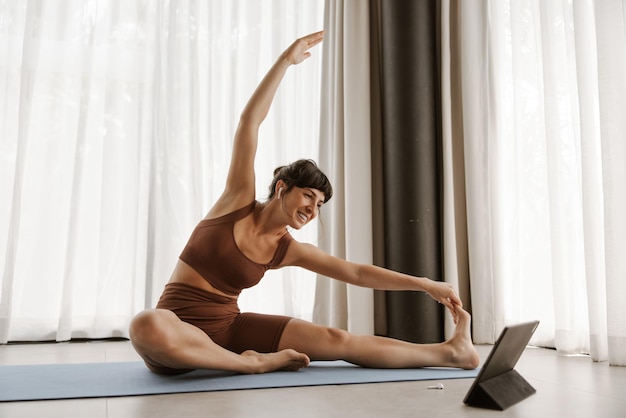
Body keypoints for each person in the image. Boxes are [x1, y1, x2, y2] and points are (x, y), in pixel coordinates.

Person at [129, 30, 480, 375]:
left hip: (229, 330)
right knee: (146, 323)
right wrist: (285, 61)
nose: (313, 208)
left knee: (336, 339)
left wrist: (424, 283)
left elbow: (356, 273)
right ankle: (250, 364)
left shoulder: (286, 248)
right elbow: (249, 123)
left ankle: (451, 351)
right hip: (174, 332)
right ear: (282, 188)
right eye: (308, 195)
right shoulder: (235, 201)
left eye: (321, 203)